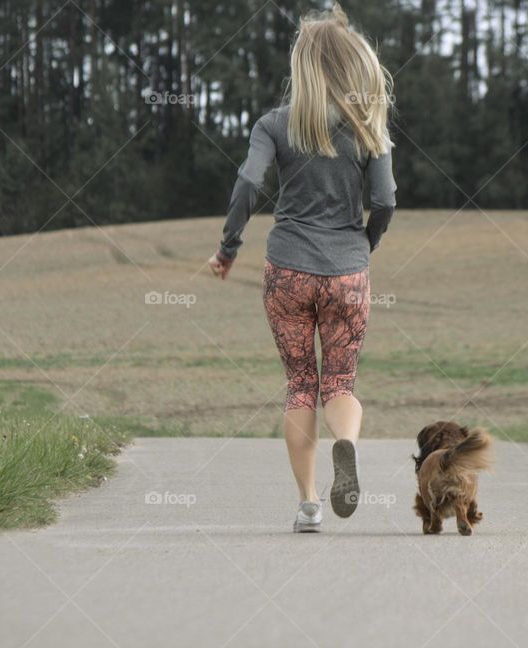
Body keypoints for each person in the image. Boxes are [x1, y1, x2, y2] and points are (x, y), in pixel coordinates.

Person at [208, 3, 396, 533]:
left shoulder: (273, 124)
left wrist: (228, 247)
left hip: (287, 269)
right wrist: (365, 247)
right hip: (347, 271)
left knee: (299, 382)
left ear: (302, 65)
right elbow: (385, 201)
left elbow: (248, 184)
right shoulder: (368, 124)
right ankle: (346, 444)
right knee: (340, 381)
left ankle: (309, 504)